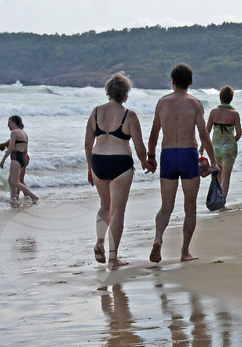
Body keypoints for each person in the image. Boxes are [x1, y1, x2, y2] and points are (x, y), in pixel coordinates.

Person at [147, 63, 217, 263]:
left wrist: (150, 157)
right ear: (191, 82)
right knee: (190, 207)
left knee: (166, 206)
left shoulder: (162, 102)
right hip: (188, 154)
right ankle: (185, 251)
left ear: (172, 81)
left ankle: (158, 238)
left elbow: (154, 134)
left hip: (168, 154)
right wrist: (213, 161)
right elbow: (203, 134)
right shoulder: (195, 103)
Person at [85, 72, 152, 268]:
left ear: (108, 91)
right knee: (118, 211)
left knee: (105, 205)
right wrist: (145, 162)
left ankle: (99, 241)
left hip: (98, 161)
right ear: (126, 93)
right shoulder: (129, 115)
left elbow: (88, 143)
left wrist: (90, 168)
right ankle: (113, 259)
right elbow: (140, 147)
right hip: (120, 163)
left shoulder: (96, 112)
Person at [205, 86, 242, 208]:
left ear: (220, 98)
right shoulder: (234, 114)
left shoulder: (213, 112)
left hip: (215, 147)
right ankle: (222, 203)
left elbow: (207, 131)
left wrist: (202, 147)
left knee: (218, 174)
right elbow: (239, 133)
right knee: (226, 176)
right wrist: (232, 141)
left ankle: (216, 200)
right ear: (231, 99)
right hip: (229, 147)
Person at [0, 116, 39, 204]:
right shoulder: (24, 133)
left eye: (9, 122)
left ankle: (34, 197)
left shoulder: (14, 133)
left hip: (16, 157)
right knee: (11, 180)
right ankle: (13, 199)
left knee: (15, 182)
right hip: (22, 157)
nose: (8, 125)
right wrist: (25, 161)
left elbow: (11, 147)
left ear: (14, 122)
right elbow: (25, 149)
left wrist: (3, 160)